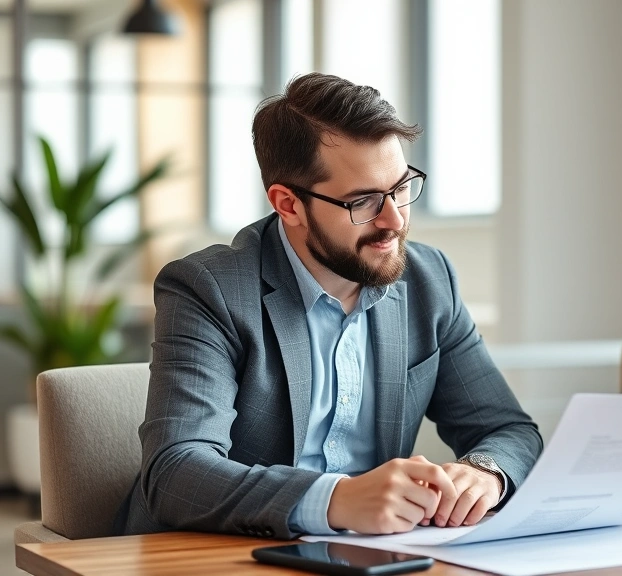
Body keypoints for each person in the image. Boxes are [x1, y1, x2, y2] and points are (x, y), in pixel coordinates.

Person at [115, 73, 542, 539]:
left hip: (373, 554)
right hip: (222, 553)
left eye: (400, 188)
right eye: (363, 202)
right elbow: (176, 472)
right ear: (288, 204)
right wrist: (335, 500)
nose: (394, 220)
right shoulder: (210, 289)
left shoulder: (428, 280)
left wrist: (483, 473)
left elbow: (509, 430)